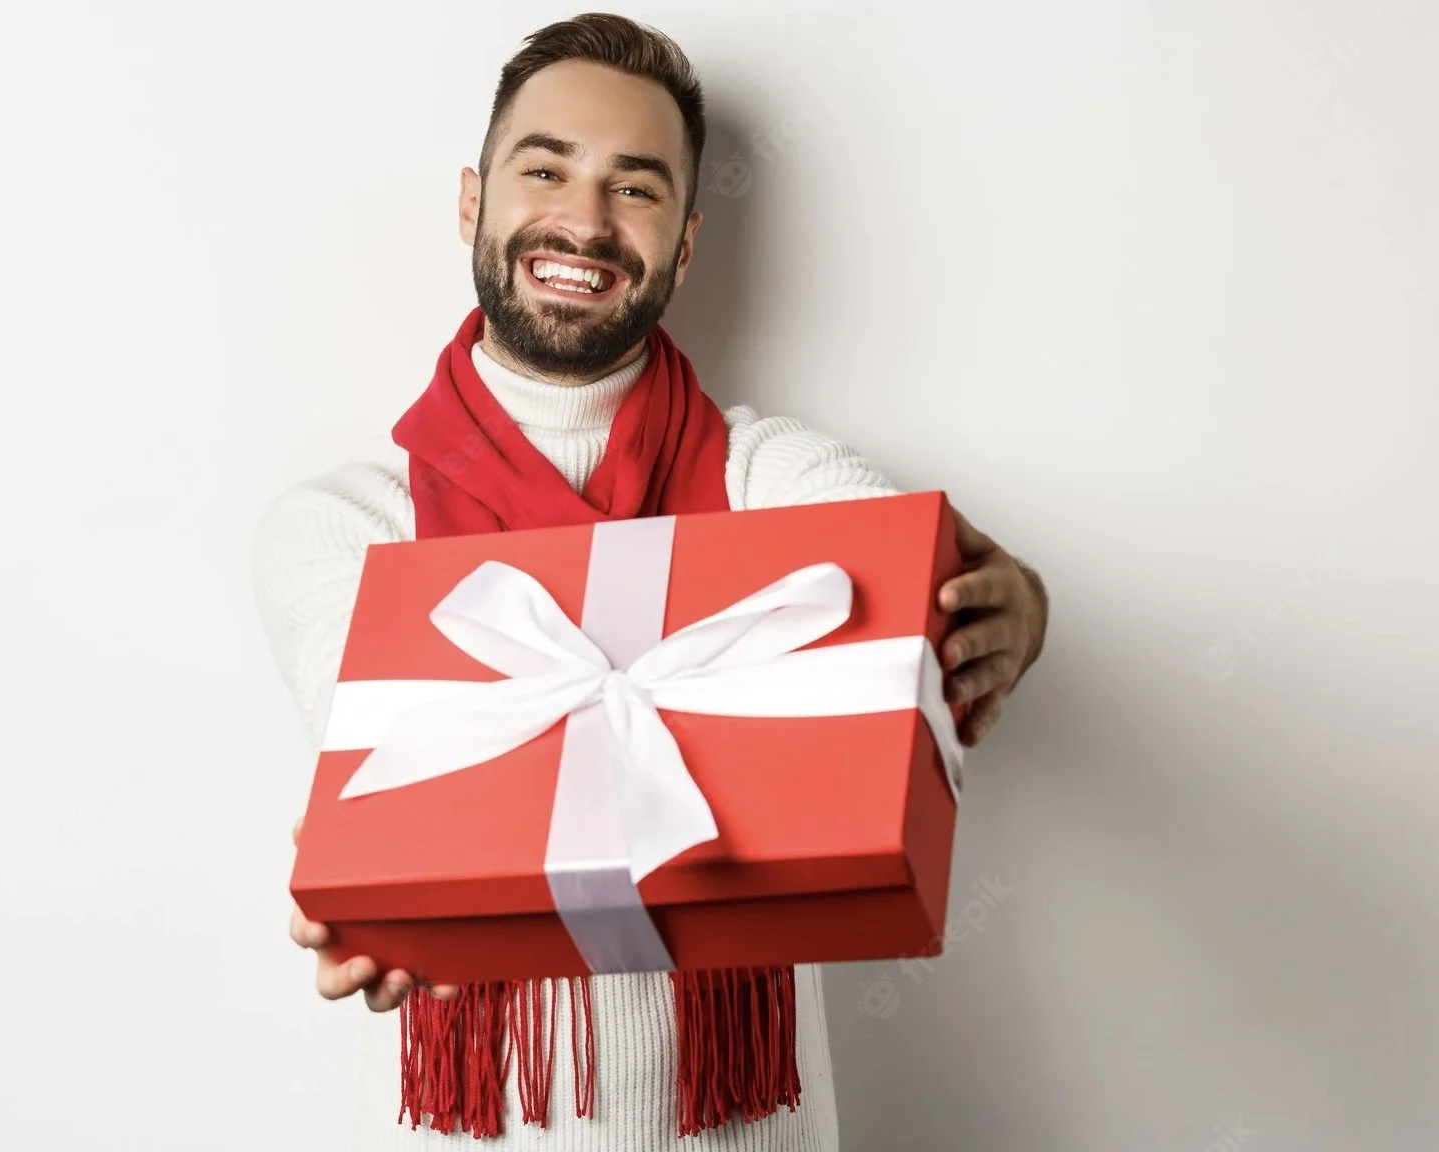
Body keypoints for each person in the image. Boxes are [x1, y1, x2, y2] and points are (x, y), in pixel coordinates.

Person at [250, 12, 1049, 1148]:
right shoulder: (343, 526)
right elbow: (388, 761)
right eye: (546, 169)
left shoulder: (766, 476)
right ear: (472, 200)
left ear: (682, 245)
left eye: (635, 188)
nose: (583, 219)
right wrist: (379, 897)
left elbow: (934, 575)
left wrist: (1020, 604)